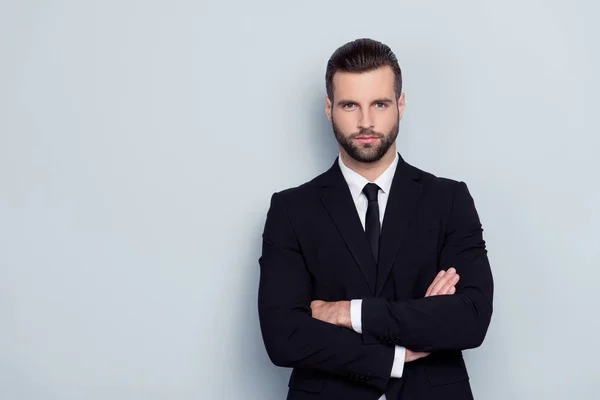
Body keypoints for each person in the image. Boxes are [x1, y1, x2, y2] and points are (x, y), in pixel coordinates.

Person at [257, 38, 494, 400]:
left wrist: (348, 313)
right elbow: (283, 337)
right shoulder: (291, 210)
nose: (365, 121)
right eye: (350, 105)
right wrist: (395, 355)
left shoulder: (449, 200)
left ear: (400, 104)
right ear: (328, 108)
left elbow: (471, 319)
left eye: (379, 104)